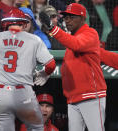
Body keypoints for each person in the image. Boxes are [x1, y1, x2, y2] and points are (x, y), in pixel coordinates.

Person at [0, 9, 56, 131]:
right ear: (23, 24)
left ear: (5, 24)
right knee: (37, 127)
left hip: (1, 94)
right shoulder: (34, 39)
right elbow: (51, 64)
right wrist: (45, 73)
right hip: (24, 93)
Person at [39, 3, 107, 131]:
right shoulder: (70, 37)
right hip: (73, 98)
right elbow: (68, 67)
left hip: (91, 96)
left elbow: (76, 44)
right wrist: (48, 72)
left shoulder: (90, 33)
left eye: (72, 17)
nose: (67, 20)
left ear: (82, 19)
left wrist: (53, 29)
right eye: (65, 17)